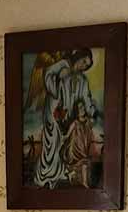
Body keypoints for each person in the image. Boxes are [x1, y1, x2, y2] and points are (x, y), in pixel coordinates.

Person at [32, 49, 100, 189]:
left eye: (87, 65)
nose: (84, 66)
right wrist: (59, 78)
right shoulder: (63, 65)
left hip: (69, 116)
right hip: (55, 110)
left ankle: (60, 173)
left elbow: (86, 99)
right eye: (83, 61)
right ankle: (46, 175)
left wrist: (92, 112)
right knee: (53, 143)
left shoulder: (82, 79)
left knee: (64, 144)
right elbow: (47, 76)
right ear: (78, 57)